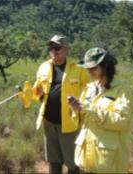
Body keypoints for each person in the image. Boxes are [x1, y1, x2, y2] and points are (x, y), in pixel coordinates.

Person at [32, 35, 90, 174]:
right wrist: (34, 93)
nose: (53, 51)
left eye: (57, 48)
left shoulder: (78, 69)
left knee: (73, 162)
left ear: (66, 50)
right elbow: (37, 91)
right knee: (53, 160)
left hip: (70, 123)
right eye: (51, 48)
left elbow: (89, 91)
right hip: (48, 121)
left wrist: (82, 105)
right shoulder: (43, 67)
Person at [68, 47, 131, 173]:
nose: (89, 71)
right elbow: (80, 121)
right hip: (87, 158)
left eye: (93, 68)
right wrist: (76, 110)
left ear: (106, 67)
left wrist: (91, 108)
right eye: (87, 68)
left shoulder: (121, 89)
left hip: (108, 162)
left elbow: (122, 121)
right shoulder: (89, 88)